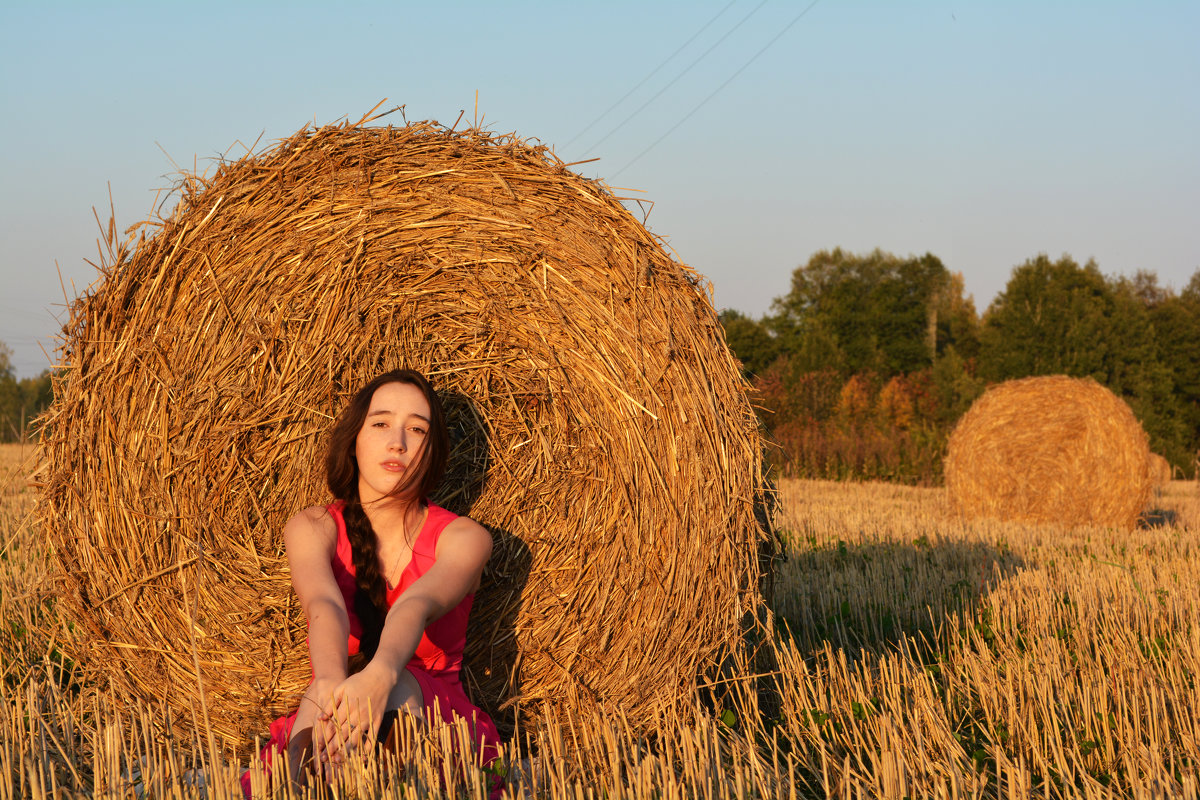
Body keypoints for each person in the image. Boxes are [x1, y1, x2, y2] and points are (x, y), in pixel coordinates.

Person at [243, 369, 500, 796]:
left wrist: (380, 675)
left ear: (432, 450)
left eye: (416, 429)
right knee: (320, 699)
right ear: (354, 440)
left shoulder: (466, 539)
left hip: (433, 712)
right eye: (381, 423)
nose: (397, 440)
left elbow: (414, 606)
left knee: (396, 683)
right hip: (338, 689)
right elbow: (323, 606)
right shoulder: (312, 526)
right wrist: (328, 683)